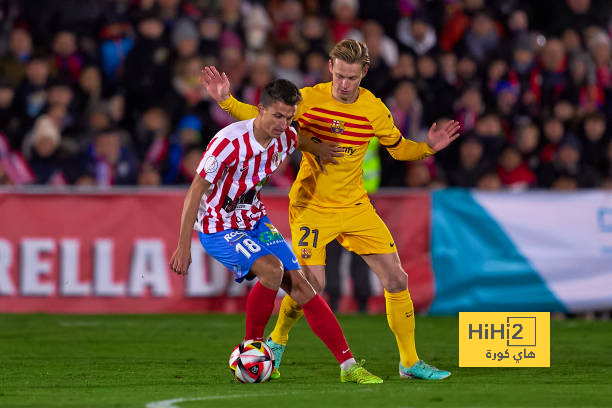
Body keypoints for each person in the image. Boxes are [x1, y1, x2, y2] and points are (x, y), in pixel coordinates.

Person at [201, 39, 460, 380]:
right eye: (339, 75)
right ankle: (277, 341)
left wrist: (427, 147)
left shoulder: (374, 109)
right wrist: (226, 101)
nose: (343, 84)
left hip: (355, 206)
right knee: (313, 284)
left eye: (351, 78)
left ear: (364, 74)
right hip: (312, 206)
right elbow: (262, 119)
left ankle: (409, 363)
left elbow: (398, 149)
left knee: (397, 279)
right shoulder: (310, 98)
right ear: (330, 68)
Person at [168, 78, 382, 384]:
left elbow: (301, 141)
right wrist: (183, 245)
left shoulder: (286, 137)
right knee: (271, 270)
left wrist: (323, 150)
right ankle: (251, 352)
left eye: (289, 117)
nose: (283, 124)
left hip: (255, 221)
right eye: (277, 116)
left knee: (304, 288)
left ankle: (349, 366)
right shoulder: (229, 141)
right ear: (260, 109)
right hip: (220, 226)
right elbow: (196, 189)